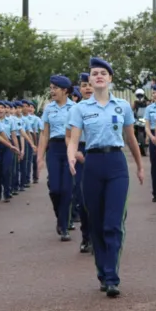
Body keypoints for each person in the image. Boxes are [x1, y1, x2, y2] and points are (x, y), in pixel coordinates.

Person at [67, 57, 144, 298]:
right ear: (89, 80)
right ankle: (102, 271)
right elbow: (73, 138)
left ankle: (112, 276)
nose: (98, 76)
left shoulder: (122, 106)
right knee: (96, 223)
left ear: (110, 79)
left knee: (113, 223)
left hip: (116, 165)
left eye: (103, 73)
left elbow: (131, 139)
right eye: (94, 73)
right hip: (93, 164)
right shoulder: (80, 109)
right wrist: (71, 156)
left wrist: (140, 166)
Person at [37, 75, 75, 242]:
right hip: (54, 148)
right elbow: (44, 134)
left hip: (70, 147)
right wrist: (39, 157)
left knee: (67, 188)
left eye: (55, 88)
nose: (52, 91)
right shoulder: (48, 109)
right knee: (54, 189)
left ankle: (64, 225)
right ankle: (60, 214)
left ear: (65, 90)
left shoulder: (75, 108)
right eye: (51, 88)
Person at [69, 72, 94, 253]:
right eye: (84, 85)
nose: (87, 88)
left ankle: (99, 235)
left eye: (90, 84)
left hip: (98, 152)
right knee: (84, 197)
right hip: (80, 150)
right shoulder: (75, 109)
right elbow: (68, 136)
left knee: (100, 198)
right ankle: (86, 236)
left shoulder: (107, 106)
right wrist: (76, 152)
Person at [0, 101, 18, 202]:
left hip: (8, 146)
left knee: (6, 169)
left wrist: (16, 148)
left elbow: (13, 135)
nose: (0, 110)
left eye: (2, 108)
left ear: (5, 110)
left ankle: (7, 192)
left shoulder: (10, 121)